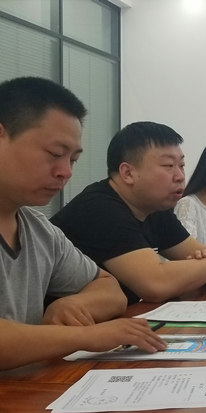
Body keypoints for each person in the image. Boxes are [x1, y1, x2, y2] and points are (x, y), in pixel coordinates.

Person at [0, 77, 166, 370]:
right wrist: (86, 336)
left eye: (73, 159)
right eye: (55, 154)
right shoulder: (98, 206)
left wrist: (74, 304)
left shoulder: (38, 230)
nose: (65, 172)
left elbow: (108, 288)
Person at [51, 121, 206, 304]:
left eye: (182, 165)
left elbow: (199, 261)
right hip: (63, 327)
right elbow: (156, 284)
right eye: (169, 165)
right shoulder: (99, 208)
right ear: (128, 173)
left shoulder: (155, 207)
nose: (180, 176)